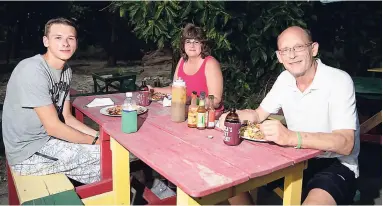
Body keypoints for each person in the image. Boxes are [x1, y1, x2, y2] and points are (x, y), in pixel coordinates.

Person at [219, 26, 360, 205]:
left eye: (298, 47)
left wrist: (290, 137)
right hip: (292, 158)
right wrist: (233, 116)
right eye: (285, 50)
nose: (292, 55)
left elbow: (346, 143)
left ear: (313, 48)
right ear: (279, 57)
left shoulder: (338, 81)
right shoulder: (285, 79)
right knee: (226, 177)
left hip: (333, 163)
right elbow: (258, 114)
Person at [2, 17, 101, 184]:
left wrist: (99, 136)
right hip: (28, 152)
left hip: (48, 142)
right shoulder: (32, 70)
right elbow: (53, 127)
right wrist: (95, 142)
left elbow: (68, 118)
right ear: (46, 41)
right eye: (58, 38)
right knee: (109, 157)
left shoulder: (66, 71)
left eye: (71, 38)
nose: (65, 43)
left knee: (111, 161)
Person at [149, 23, 224, 115]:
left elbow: (216, 101)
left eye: (196, 42)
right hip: (185, 112)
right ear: (183, 45)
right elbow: (175, 90)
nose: (192, 45)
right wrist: (153, 90)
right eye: (188, 41)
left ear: (203, 45)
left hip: (206, 116)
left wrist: (191, 101)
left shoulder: (210, 63)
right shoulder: (182, 61)